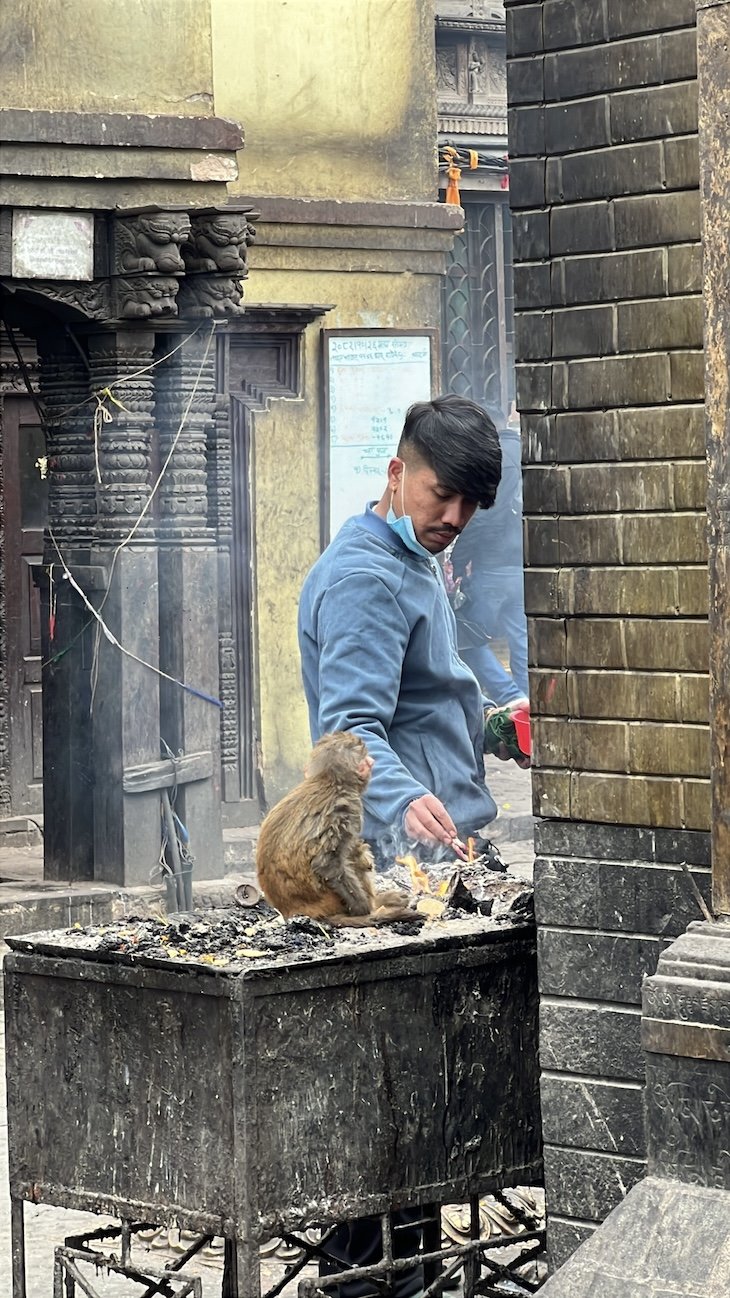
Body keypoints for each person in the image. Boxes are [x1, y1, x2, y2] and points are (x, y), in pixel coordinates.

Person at [297, 394, 528, 1298]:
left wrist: (498, 724)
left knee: (417, 1106)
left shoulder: (410, 552)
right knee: (394, 1104)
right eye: (442, 496)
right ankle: (368, 1284)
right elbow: (350, 727)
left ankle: (408, 1277)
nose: (455, 521)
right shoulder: (366, 576)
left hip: (425, 849)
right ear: (397, 475)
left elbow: (422, 695)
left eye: (472, 506)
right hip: (397, 865)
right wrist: (410, 797)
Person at [449, 410, 529, 707]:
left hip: (492, 566)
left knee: (468, 635)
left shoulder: (495, 458)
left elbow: (482, 517)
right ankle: (525, 707)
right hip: (521, 564)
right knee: (520, 637)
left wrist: (459, 560)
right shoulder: (527, 450)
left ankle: (510, 697)